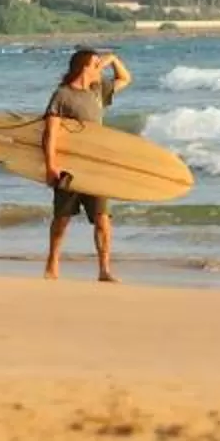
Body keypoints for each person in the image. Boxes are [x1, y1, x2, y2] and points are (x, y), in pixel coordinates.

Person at [41, 46, 133, 283]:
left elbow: (125, 78)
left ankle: (104, 269)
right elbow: (50, 133)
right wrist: (51, 166)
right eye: (95, 65)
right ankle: (52, 264)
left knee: (103, 218)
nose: (99, 69)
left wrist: (112, 59)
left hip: (95, 167)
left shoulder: (97, 90)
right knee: (62, 219)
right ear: (84, 67)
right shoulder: (62, 95)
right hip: (68, 166)